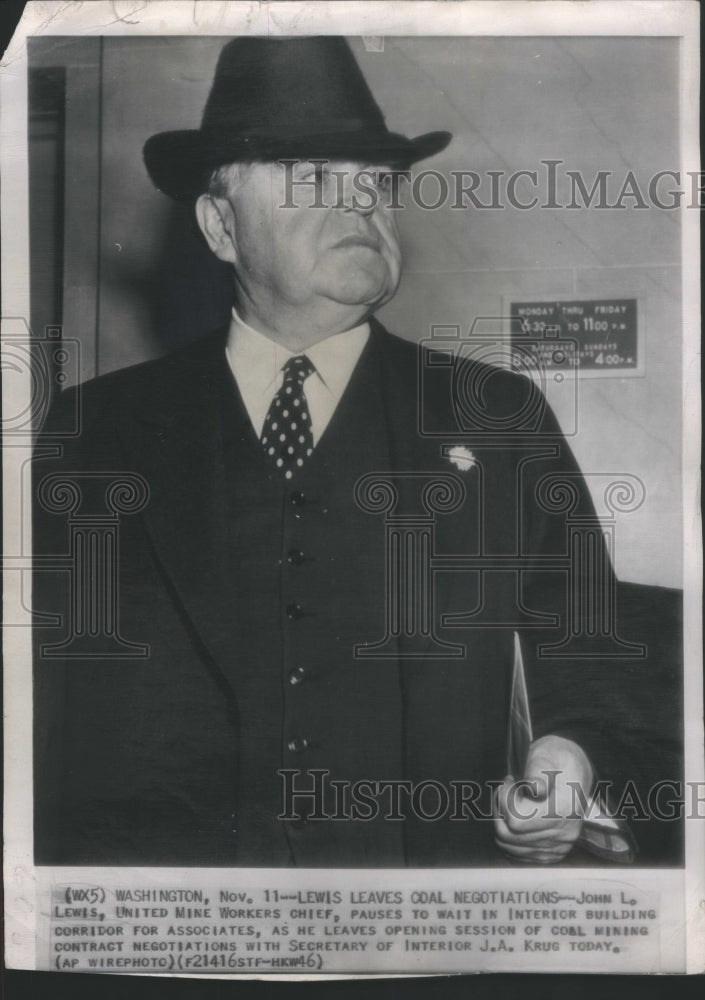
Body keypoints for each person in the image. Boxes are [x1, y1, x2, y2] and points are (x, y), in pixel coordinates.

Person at [33, 36, 645, 868]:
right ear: (219, 225)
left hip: (422, 914)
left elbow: (591, 651)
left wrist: (568, 759)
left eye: (376, 184)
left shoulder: (495, 417)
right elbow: (41, 697)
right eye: (313, 178)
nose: (360, 204)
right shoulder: (98, 430)